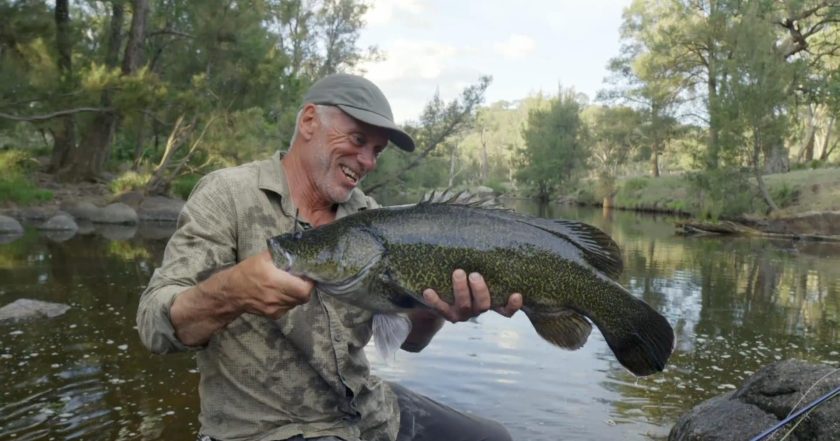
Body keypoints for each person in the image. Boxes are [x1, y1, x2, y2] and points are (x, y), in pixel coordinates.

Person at [137, 73, 523, 441]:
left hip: (367, 414)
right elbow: (155, 326)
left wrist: (438, 307)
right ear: (309, 121)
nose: (368, 161)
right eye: (357, 139)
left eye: (376, 151)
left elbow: (411, 342)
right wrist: (231, 292)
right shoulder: (229, 195)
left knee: (494, 437)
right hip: (266, 429)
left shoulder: (370, 216)